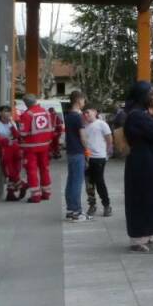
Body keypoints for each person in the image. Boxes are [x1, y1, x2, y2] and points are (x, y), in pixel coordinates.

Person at [123, 82, 153, 252]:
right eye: (152, 94)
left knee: (151, 196)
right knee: (142, 197)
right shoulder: (137, 116)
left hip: (148, 161)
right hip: (142, 163)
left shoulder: (141, 114)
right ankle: (138, 238)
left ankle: (148, 233)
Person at [18, 94, 54, 203]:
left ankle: (35, 195)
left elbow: (23, 133)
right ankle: (46, 192)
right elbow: (51, 129)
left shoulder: (27, 115)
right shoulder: (46, 112)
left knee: (32, 170)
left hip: (30, 148)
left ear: (25, 103)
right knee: (44, 169)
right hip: (45, 146)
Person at [63, 91, 92, 222]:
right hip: (78, 152)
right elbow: (83, 137)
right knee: (76, 182)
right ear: (78, 100)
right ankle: (76, 212)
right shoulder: (77, 117)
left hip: (70, 152)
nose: (84, 103)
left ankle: (71, 210)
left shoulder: (68, 115)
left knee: (71, 181)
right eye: (83, 101)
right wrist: (87, 152)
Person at [83, 107, 113, 216]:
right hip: (87, 158)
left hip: (99, 157)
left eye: (88, 112)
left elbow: (109, 138)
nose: (86, 115)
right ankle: (92, 205)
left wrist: (108, 151)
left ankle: (106, 205)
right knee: (89, 184)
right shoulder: (83, 125)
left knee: (99, 182)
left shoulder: (101, 124)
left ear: (95, 112)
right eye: (84, 113)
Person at [0, 105, 24, 201]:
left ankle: (10, 194)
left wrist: (11, 124)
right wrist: (6, 140)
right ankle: (23, 185)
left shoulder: (11, 123)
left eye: (9, 111)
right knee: (8, 171)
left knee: (16, 170)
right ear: (0, 113)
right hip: (5, 150)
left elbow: (17, 136)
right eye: (6, 111)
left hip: (15, 149)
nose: (8, 113)